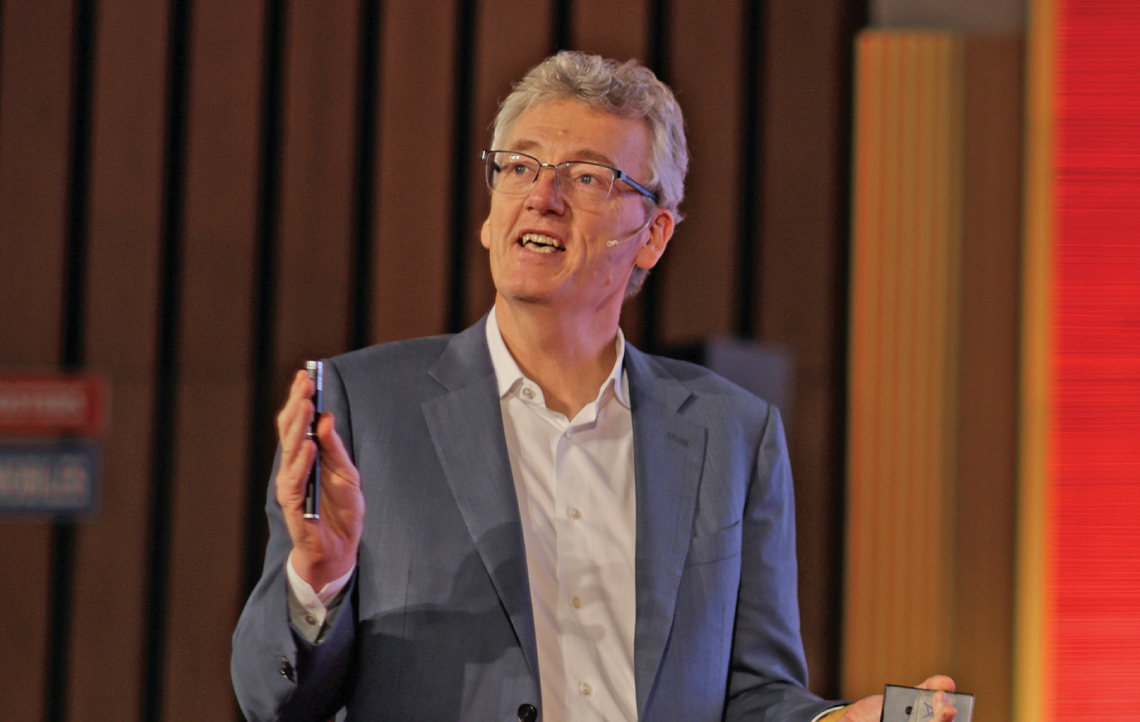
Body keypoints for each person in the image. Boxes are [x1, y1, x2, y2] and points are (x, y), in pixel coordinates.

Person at [232, 51, 957, 722]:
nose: (542, 197)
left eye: (586, 177)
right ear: (490, 214)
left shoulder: (733, 432)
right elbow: (270, 699)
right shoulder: (363, 409)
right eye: (520, 167)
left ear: (653, 235)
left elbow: (755, 694)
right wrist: (317, 582)